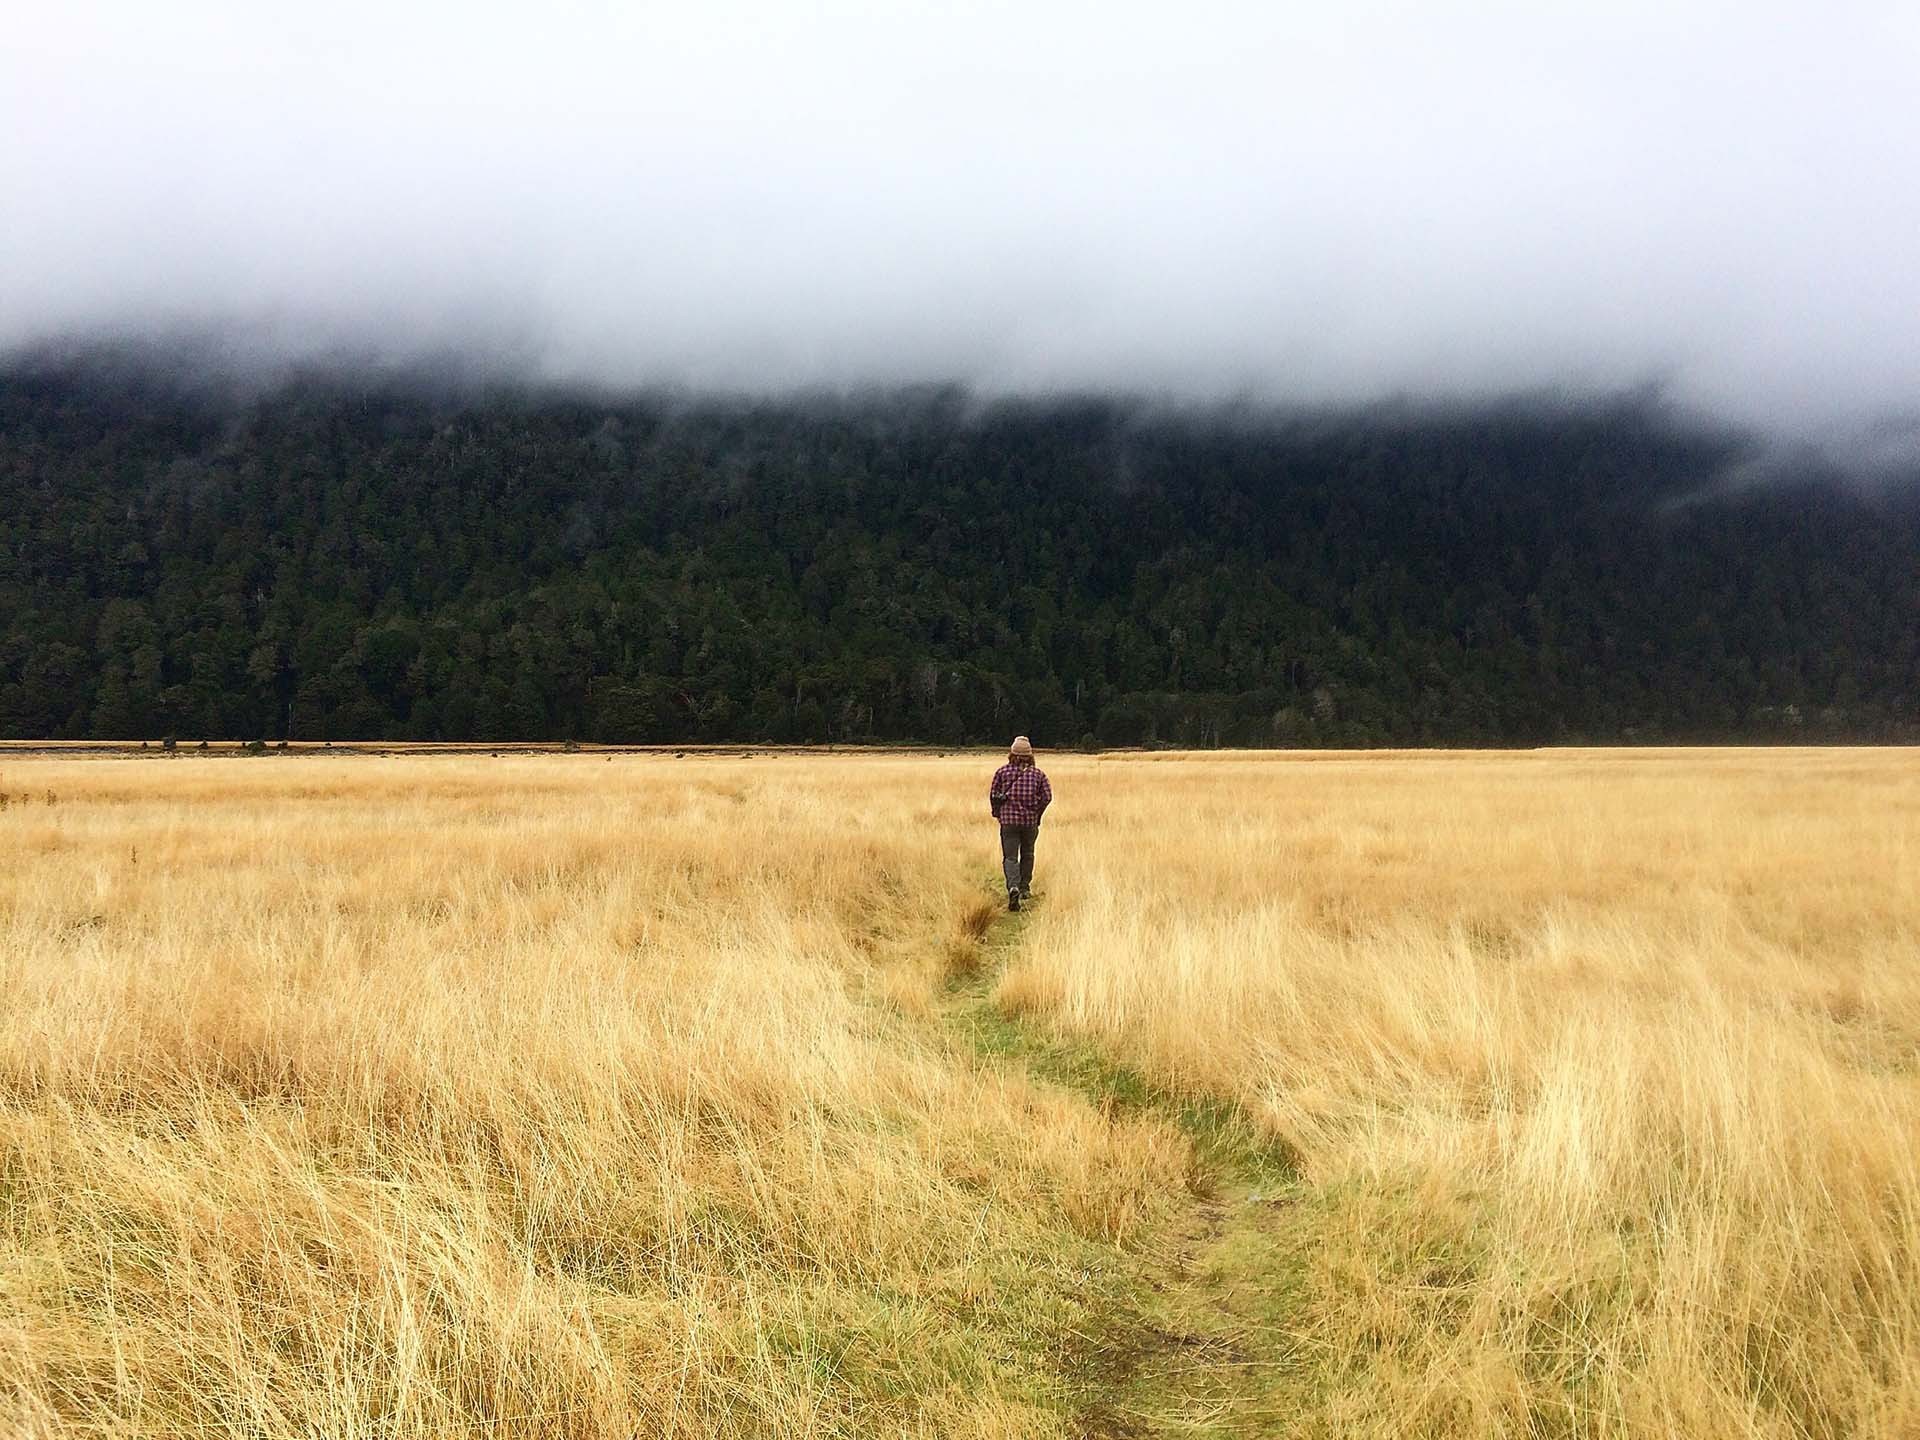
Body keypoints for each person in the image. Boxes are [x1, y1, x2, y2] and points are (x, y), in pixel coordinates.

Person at [989, 735, 1052, 911]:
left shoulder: (1002, 772)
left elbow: (993, 796)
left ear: (1012, 754)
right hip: (1030, 822)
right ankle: (1024, 888)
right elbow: (1047, 797)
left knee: (1010, 857)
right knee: (1028, 854)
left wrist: (998, 814)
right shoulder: (1038, 775)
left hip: (1008, 822)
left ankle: (1013, 887)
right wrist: (1037, 814)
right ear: (1030, 755)